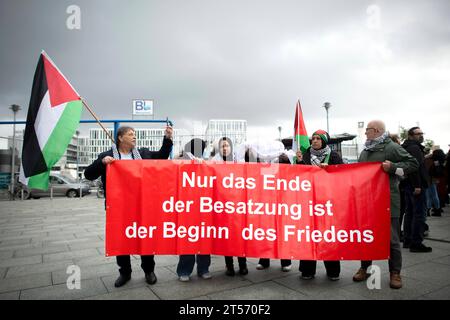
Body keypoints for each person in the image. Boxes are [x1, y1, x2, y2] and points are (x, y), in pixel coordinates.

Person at [84, 125, 173, 288]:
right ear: (120, 138)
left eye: (135, 134)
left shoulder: (144, 154)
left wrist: (167, 139)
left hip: (142, 205)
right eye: (131, 134)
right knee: (121, 240)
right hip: (118, 208)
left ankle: (149, 270)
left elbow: (162, 155)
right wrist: (102, 163)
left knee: (145, 236)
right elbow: (88, 174)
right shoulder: (107, 156)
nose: (134, 137)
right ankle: (124, 272)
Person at [352, 120, 418, 289]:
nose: (365, 133)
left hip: (388, 201)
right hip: (368, 201)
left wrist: (393, 167)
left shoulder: (391, 147)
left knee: (392, 240)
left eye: (367, 130)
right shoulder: (367, 149)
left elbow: (413, 164)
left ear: (376, 130)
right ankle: (365, 267)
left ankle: (395, 273)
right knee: (367, 237)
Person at [296, 130, 342, 281]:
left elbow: (343, 175)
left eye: (318, 139)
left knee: (328, 236)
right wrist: (299, 162)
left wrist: (329, 170)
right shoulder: (305, 155)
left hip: (327, 203)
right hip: (308, 201)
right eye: (313, 138)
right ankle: (307, 270)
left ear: (324, 141)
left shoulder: (334, 156)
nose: (314, 141)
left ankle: (333, 271)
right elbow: (297, 175)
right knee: (309, 236)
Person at [176, 138, 212, 282]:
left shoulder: (206, 162)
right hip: (186, 206)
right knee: (188, 238)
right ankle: (185, 270)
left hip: (203, 205)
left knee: (204, 238)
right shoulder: (180, 160)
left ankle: (203, 268)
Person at [211, 137, 248, 276]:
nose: (225, 148)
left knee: (239, 236)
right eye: (222, 146)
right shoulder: (214, 161)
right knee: (227, 236)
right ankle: (229, 266)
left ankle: (243, 265)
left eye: (227, 145)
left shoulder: (239, 160)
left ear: (231, 147)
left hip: (237, 204)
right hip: (222, 205)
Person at [401, 127, 432, 252]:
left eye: (421, 133)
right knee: (419, 214)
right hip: (415, 186)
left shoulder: (408, 146)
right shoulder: (414, 148)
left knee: (410, 213)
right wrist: (417, 185)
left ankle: (408, 240)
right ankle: (416, 243)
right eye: (418, 133)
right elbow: (414, 167)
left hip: (409, 185)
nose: (421, 135)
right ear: (410, 135)